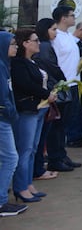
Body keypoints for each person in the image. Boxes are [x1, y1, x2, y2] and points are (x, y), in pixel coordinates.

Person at [10, 29, 54, 203]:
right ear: (25, 44)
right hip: (26, 109)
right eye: (35, 40)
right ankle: (21, 187)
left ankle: (27, 184)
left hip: (37, 108)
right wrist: (46, 94)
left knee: (32, 148)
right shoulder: (19, 63)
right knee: (25, 149)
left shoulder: (31, 61)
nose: (38, 43)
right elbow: (26, 84)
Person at [35, 18, 79, 173]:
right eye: (53, 29)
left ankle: (61, 155)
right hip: (55, 87)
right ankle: (55, 158)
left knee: (61, 126)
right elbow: (52, 66)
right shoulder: (45, 46)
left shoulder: (49, 44)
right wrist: (62, 79)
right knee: (56, 127)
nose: (55, 33)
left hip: (61, 85)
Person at [51, 6, 82, 148]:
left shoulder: (69, 37)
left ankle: (62, 154)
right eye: (72, 15)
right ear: (63, 18)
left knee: (69, 119)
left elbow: (71, 60)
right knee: (59, 123)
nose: (74, 18)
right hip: (63, 84)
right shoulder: (56, 37)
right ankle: (57, 154)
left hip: (74, 83)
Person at [0, 31, 27, 217]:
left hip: (6, 117)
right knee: (11, 158)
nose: (16, 47)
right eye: (12, 44)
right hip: (3, 119)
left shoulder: (5, 65)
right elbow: (3, 97)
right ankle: (1, 201)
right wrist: (11, 113)